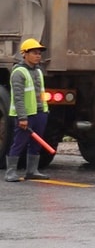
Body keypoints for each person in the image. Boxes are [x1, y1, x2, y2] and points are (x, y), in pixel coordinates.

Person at [6, 37, 49, 182]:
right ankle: (10, 172)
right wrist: (22, 117)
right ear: (24, 54)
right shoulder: (19, 72)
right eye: (34, 53)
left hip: (40, 112)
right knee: (19, 142)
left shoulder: (38, 71)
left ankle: (32, 171)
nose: (38, 56)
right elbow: (18, 97)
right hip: (26, 114)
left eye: (39, 53)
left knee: (36, 143)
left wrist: (45, 112)